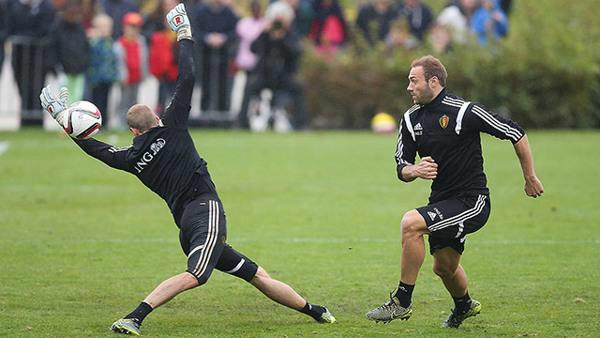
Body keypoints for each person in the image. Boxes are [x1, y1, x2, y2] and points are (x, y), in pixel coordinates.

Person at [40, 4, 335, 336]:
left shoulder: (131, 159)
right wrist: (184, 34)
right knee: (196, 275)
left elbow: (97, 150)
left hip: (186, 224)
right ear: (156, 117)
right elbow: (188, 76)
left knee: (254, 274)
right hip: (206, 211)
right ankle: (135, 316)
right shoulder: (174, 127)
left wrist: (64, 119)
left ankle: (314, 311)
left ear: (134, 132)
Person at [366, 55, 544, 328]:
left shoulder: (464, 112)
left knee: (410, 223)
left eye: (414, 81)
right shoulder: (410, 119)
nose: (408, 87)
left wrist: (529, 176)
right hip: (442, 200)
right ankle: (464, 305)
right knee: (444, 268)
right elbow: (401, 165)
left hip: (472, 201)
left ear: (433, 81)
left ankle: (401, 302)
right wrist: (414, 170)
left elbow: (515, 132)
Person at [114, 11, 148, 129]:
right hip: (126, 77)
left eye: (136, 27)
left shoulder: (140, 42)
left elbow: (143, 59)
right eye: (131, 27)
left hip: (137, 75)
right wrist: (121, 75)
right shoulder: (120, 43)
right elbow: (119, 62)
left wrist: (144, 74)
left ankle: (133, 124)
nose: (133, 30)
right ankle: (121, 122)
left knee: (134, 101)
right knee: (124, 100)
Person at [87, 13, 119, 128]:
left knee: (106, 100)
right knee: (96, 101)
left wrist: (115, 74)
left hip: (108, 77)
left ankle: (104, 123)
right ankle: (94, 123)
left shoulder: (110, 42)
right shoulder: (95, 42)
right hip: (96, 77)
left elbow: (113, 60)